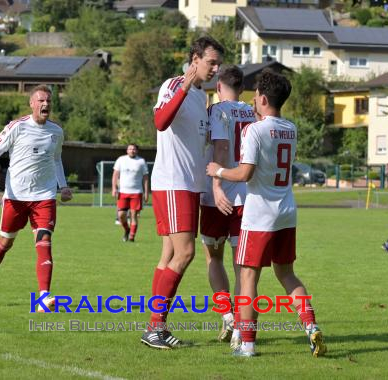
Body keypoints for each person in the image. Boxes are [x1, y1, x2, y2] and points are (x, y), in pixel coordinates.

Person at [206, 69, 327, 358]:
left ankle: (247, 343)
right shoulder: (292, 128)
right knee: (287, 274)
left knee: (248, 277)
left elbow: (245, 173)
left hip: (259, 214)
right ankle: (311, 328)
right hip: (287, 211)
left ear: (261, 98)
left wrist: (218, 171)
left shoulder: (255, 130)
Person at [140, 36, 224, 350]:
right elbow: (161, 122)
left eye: (218, 64)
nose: (215, 68)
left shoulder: (201, 98)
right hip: (174, 183)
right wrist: (185, 87)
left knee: (169, 255)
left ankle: (155, 329)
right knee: (186, 253)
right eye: (210, 62)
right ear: (194, 60)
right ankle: (155, 327)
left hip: (189, 185)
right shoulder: (175, 85)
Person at [0, 84, 73, 311]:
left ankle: (44, 297)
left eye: (48, 101)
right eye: (41, 100)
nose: (45, 104)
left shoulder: (56, 131)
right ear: (31, 103)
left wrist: (63, 186)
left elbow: (56, 159)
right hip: (16, 197)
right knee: (5, 243)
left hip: (44, 196)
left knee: (44, 242)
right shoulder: (16, 127)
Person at [199, 65, 255, 348]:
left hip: (216, 196)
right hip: (247, 196)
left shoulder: (217, 111)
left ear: (219, 87)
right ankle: (238, 329)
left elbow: (220, 147)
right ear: (241, 88)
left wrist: (217, 186)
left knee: (213, 258)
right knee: (241, 267)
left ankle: (227, 315)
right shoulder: (252, 111)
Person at [111, 144, 149, 242]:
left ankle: (132, 237)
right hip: (123, 192)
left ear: (137, 151)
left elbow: (145, 178)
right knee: (121, 215)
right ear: (127, 150)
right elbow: (115, 175)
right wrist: (114, 188)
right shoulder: (121, 160)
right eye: (130, 149)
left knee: (133, 215)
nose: (132, 150)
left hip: (136, 192)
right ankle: (127, 230)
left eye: (134, 149)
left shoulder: (141, 161)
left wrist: (146, 192)